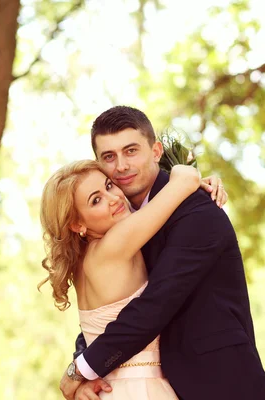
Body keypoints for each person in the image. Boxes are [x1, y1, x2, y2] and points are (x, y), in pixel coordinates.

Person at [57, 106, 265, 400]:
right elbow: (109, 310)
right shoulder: (119, 224)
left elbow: (155, 303)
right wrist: (85, 366)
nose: (121, 166)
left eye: (131, 150)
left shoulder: (197, 208)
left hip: (219, 384)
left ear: (156, 151)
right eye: (109, 157)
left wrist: (82, 369)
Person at [40, 160, 204, 399]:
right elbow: (186, 180)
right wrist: (185, 174)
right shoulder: (114, 245)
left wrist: (80, 374)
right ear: (77, 224)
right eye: (96, 200)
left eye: (109, 186)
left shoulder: (86, 260)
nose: (114, 198)